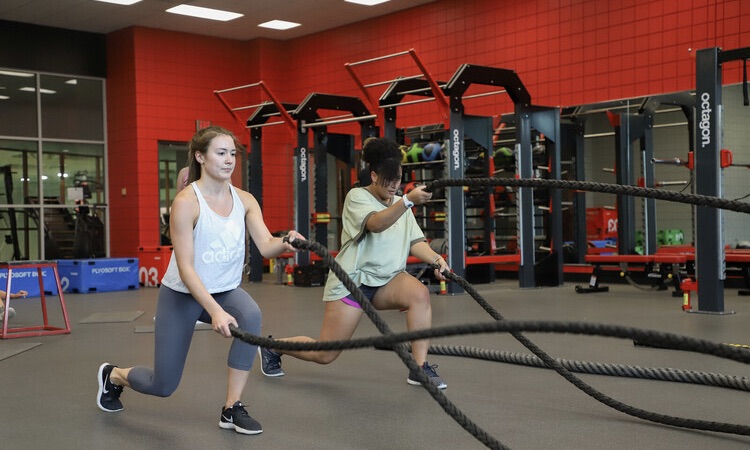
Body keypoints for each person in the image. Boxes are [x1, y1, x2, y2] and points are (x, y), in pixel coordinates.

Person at [96, 126, 304, 435]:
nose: (229, 160)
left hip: (224, 290)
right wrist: (216, 311)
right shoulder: (186, 203)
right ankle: (113, 376)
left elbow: (265, 245)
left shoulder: (245, 200)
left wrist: (286, 241)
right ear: (200, 156)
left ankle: (231, 408)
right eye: (221, 153)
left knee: (251, 315)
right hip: (182, 293)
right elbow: (186, 269)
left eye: (233, 153)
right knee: (163, 385)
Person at [259, 137, 450, 389]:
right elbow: (376, 224)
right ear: (373, 175)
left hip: (387, 280)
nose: (394, 186)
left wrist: (437, 259)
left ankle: (419, 367)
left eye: (398, 180)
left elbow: (415, 241)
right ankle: (273, 347)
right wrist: (407, 201)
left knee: (420, 294)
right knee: (325, 354)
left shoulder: (401, 202)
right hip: (353, 282)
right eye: (387, 180)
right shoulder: (357, 197)